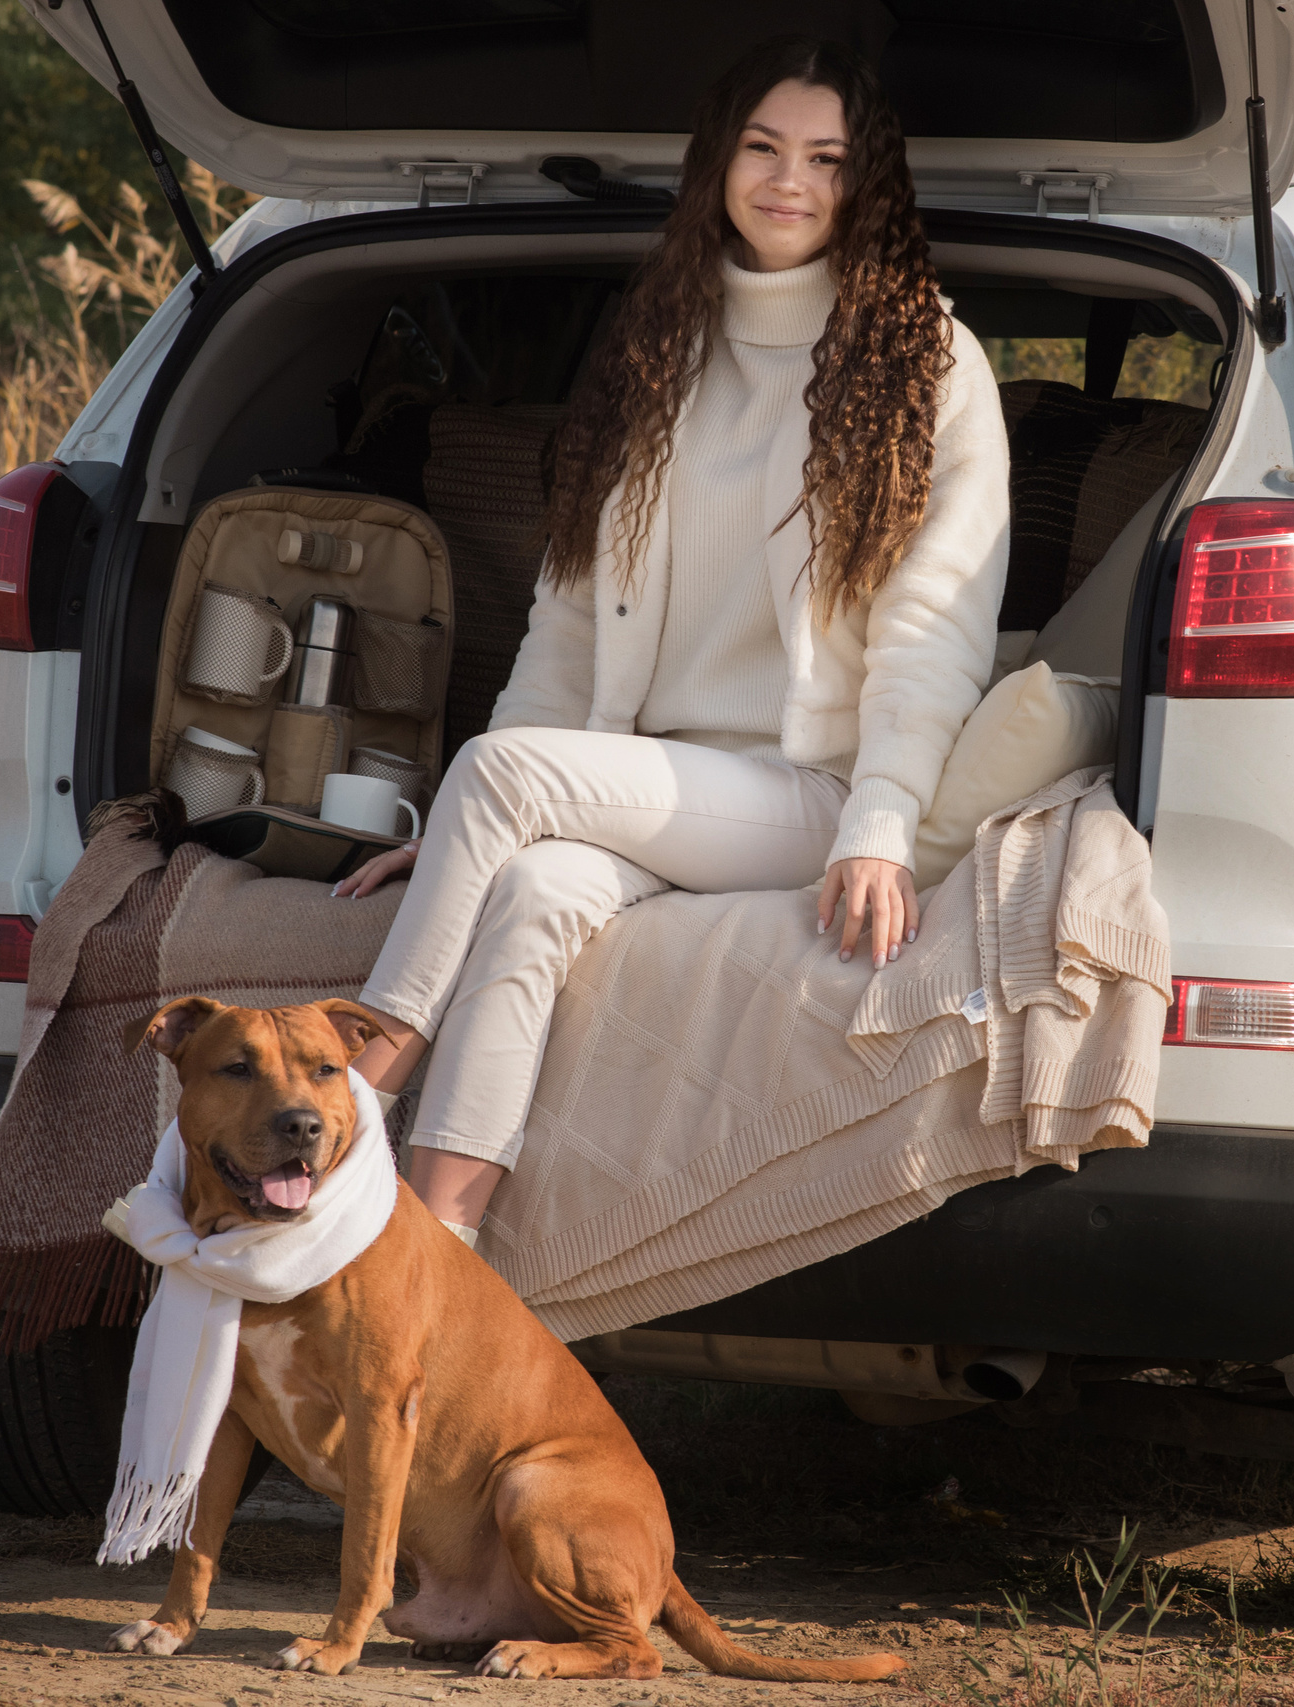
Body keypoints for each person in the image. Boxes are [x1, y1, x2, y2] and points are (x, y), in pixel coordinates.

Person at [328, 35, 1010, 1246]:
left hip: (805, 792)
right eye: (761, 148)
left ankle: (345, 1096)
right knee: (531, 888)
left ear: (869, 185)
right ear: (717, 165)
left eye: (824, 158)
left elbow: (931, 625)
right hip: (643, 778)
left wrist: (883, 825)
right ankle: (437, 1252)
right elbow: (570, 618)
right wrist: (462, 851)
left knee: (496, 776)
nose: (787, 180)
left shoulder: (928, 363)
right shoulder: (658, 352)